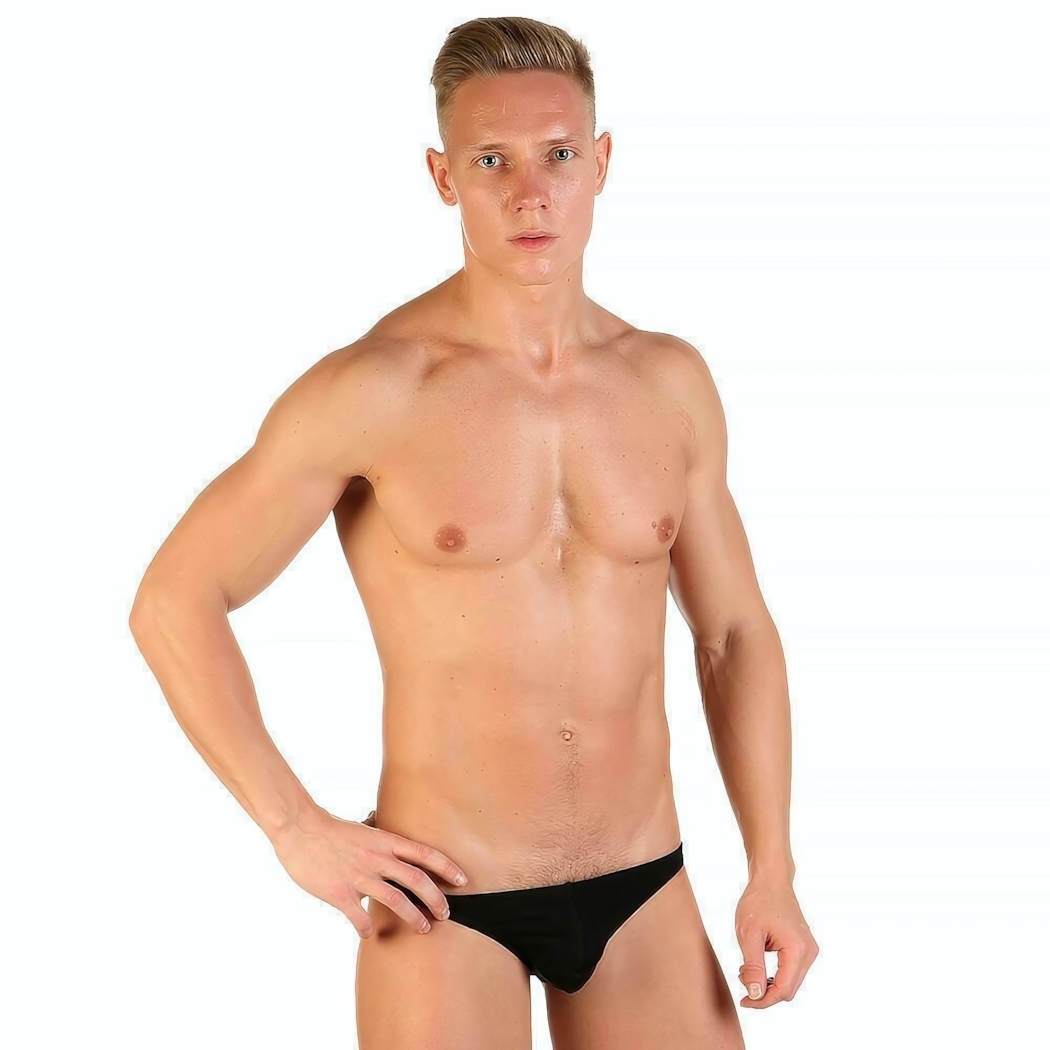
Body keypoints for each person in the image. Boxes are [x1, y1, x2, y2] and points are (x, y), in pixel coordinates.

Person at [129, 15, 817, 1050]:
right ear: (443, 176)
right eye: (492, 160)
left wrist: (772, 867)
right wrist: (294, 826)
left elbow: (732, 634)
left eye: (558, 156)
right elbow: (174, 600)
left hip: (645, 886)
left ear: (602, 163)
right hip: (445, 899)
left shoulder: (670, 384)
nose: (531, 194)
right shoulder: (376, 388)